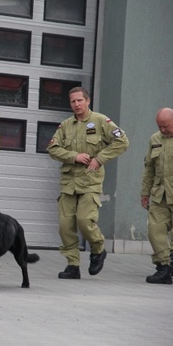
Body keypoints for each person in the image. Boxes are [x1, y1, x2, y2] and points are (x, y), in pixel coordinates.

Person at [47, 87, 129, 279]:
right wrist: (74, 156)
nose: (76, 104)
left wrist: (99, 159)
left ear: (88, 101)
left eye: (79, 101)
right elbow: (52, 149)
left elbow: (122, 141)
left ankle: (98, 249)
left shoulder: (101, 121)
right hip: (69, 182)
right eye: (72, 101)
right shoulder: (66, 125)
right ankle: (72, 265)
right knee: (65, 225)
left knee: (84, 220)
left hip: (90, 182)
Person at [140, 107, 173, 284]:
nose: (162, 130)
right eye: (159, 126)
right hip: (160, 195)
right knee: (155, 230)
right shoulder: (155, 139)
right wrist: (145, 192)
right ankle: (163, 268)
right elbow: (149, 169)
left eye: (166, 126)